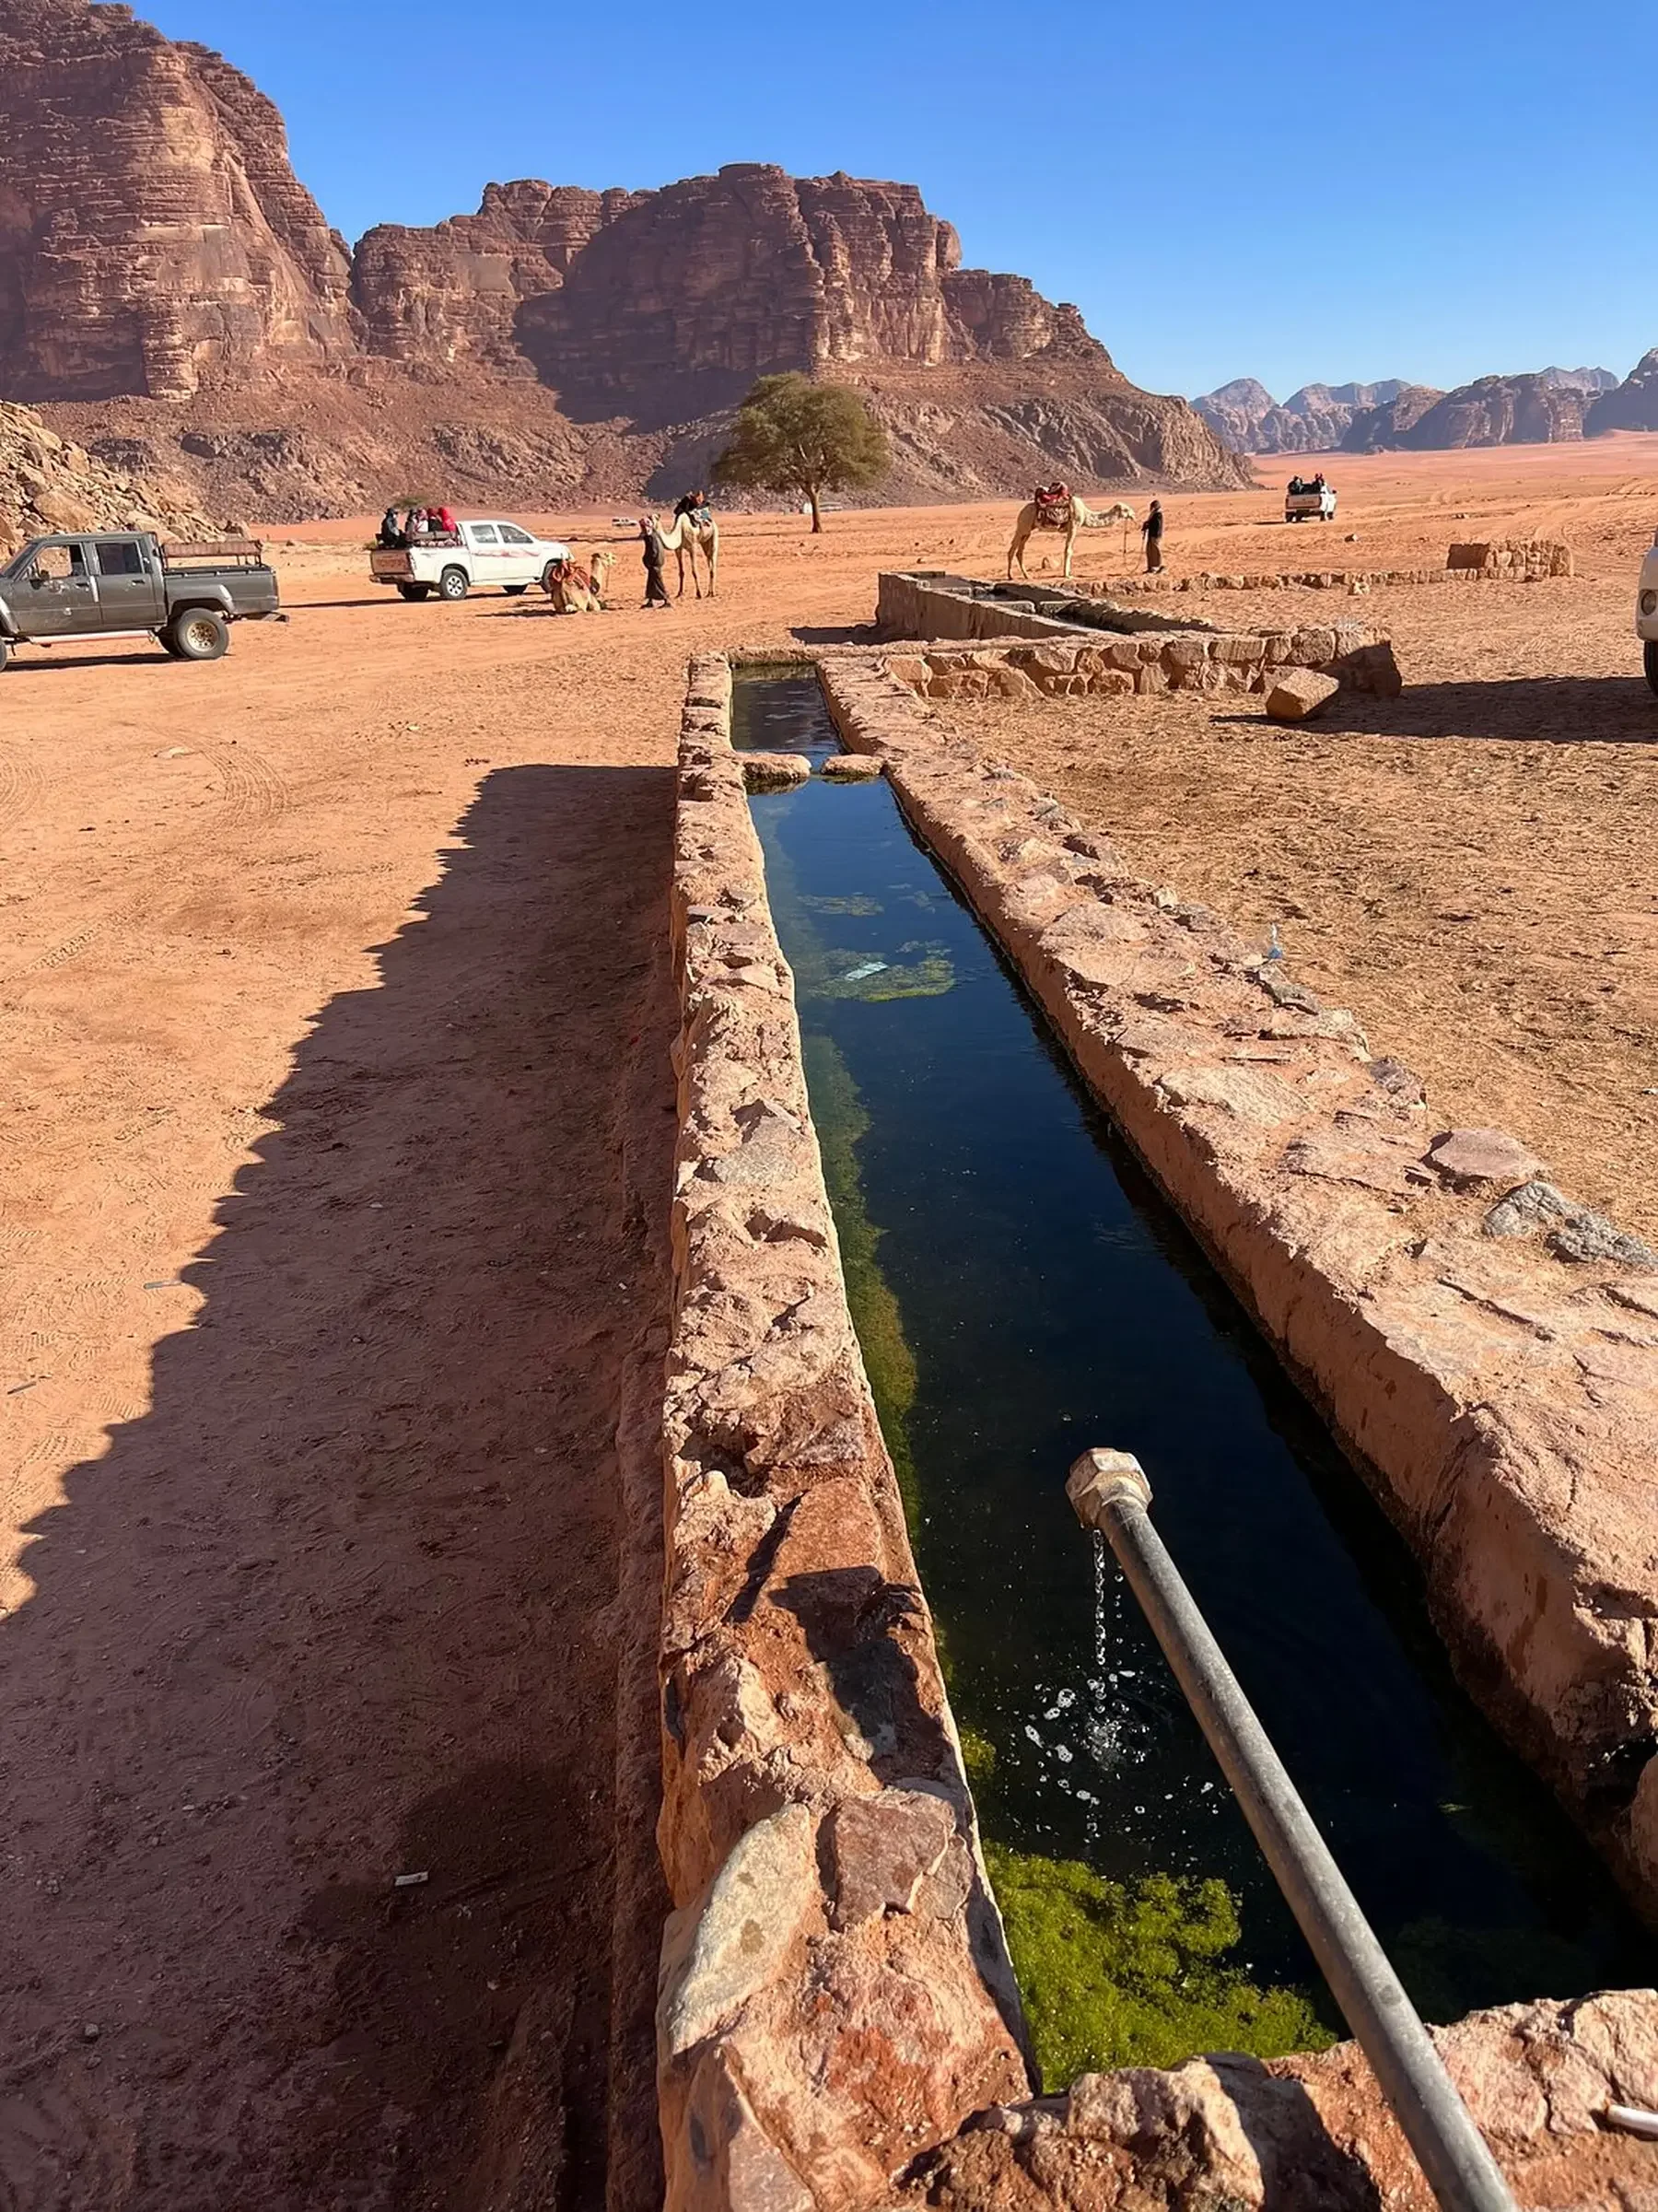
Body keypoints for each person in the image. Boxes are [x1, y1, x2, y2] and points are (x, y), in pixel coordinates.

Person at [639, 517, 671, 609]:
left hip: (655, 563)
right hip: (655, 563)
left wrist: (648, 561)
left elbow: (653, 551)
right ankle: (650, 601)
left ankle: (666, 600)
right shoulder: (654, 535)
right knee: (651, 583)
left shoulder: (651, 537)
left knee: (658, 582)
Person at [1141, 497, 1164, 573]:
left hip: (1156, 535)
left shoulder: (1158, 514)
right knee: (1149, 550)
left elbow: (1157, 525)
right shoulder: (1154, 514)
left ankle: (1157, 566)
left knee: (1155, 550)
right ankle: (1151, 566)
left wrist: (1148, 524)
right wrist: (1146, 525)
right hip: (1151, 535)